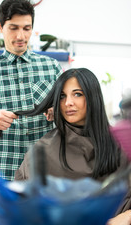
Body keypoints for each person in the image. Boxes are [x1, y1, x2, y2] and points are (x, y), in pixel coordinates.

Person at [15, 68, 131, 224]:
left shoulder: (121, 144)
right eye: (62, 96)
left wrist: (126, 216)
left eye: (77, 94)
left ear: (92, 97)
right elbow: (23, 207)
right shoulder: (43, 150)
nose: (68, 102)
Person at [0, 0, 63, 182]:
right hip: (5, 175)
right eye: (13, 28)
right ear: (0, 27)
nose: (21, 36)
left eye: (26, 28)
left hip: (46, 174)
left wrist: (59, 111)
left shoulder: (52, 67)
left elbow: (73, 114)